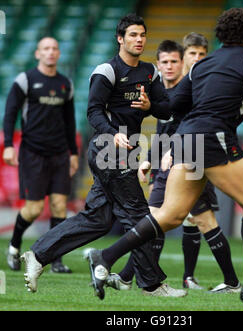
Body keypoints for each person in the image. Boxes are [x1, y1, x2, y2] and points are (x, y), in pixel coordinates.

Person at [86, 7, 243, 306]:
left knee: (170, 215)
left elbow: (172, 105)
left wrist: (150, 108)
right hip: (214, 139)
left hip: (186, 140)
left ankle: (105, 256)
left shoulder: (201, 65)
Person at [21, 14, 187, 298]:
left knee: (97, 218)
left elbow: (166, 108)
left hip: (128, 148)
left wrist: (149, 105)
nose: (139, 40)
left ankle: (38, 254)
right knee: (139, 215)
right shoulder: (106, 71)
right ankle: (151, 284)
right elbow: (93, 112)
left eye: (142, 35)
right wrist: (113, 133)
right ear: (120, 39)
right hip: (109, 146)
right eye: (133, 35)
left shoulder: (150, 72)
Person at [106, 37, 240, 293]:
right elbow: (163, 132)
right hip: (169, 165)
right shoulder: (165, 93)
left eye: (175, 61)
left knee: (192, 221)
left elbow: (193, 129)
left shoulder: (192, 91)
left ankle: (228, 282)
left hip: (190, 161)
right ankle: (126, 277)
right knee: (157, 221)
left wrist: (175, 152)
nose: (170, 66)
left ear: (182, 63)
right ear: (158, 64)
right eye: (165, 62)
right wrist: (150, 159)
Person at [3, 37, 79, 274]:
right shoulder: (25, 80)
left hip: (59, 154)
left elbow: (69, 121)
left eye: (55, 48)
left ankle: (56, 259)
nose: (51, 52)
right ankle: (14, 245)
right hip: (33, 153)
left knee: (59, 206)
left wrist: (74, 153)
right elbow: (10, 113)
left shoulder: (66, 84)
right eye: (46, 48)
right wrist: (8, 145)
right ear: (38, 54)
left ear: (58, 53)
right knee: (34, 209)